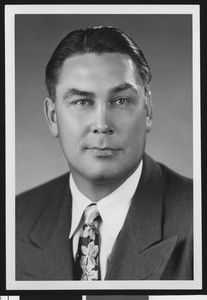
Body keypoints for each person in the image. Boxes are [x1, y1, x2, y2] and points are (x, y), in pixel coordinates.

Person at [16, 26, 193, 280]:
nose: (102, 124)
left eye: (121, 100)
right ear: (53, 117)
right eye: (82, 102)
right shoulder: (15, 220)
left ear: (148, 111)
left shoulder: (196, 218)